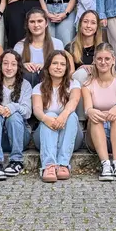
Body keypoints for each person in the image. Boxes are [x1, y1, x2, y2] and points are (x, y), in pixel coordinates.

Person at [82, 43, 116, 181]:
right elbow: (88, 109)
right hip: (96, 135)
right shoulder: (87, 84)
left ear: (113, 60)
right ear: (94, 61)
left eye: (107, 59)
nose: (103, 62)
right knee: (94, 116)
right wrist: (92, 112)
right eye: (99, 59)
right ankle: (105, 164)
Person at [32, 50, 84, 183]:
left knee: (71, 115)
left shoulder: (74, 84)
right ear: (48, 66)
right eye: (55, 63)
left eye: (62, 64)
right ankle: (48, 166)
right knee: (48, 114)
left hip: (70, 137)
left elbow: (73, 101)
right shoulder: (38, 88)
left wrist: (63, 116)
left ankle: (63, 164)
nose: (58, 67)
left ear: (66, 68)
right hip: (45, 138)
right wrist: (46, 119)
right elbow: (37, 109)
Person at [0, 50, 32, 180]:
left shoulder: (25, 85)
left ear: (18, 67)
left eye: (13, 64)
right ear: (0, 65)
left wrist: (13, 107)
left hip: (19, 138)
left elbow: (28, 112)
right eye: (5, 63)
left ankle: (16, 161)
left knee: (14, 116)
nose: (9, 68)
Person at [66, 10, 104, 121]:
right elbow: (66, 76)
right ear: (80, 24)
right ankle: (82, 119)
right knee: (82, 74)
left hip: (99, 88)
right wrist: (80, 70)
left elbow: (111, 73)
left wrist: (95, 68)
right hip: (76, 91)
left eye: (93, 23)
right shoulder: (70, 48)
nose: (88, 26)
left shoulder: (103, 48)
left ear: (97, 27)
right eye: (85, 22)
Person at [14, 8, 65, 87]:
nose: (36, 25)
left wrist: (46, 66)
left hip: (50, 87)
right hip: (26, 87)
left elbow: (62, 68)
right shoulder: (20, 46)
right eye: (32, 22)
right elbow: (13, 70)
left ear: (46, 23)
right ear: (27, 24)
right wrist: (22, 65)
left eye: (39, 21)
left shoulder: (57, 44)